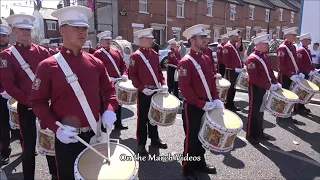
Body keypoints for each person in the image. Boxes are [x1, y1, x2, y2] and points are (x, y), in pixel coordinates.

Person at [29, 6, 118, 180]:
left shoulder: (96, 63)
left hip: (95, 134)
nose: (82, 32)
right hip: (67, 139)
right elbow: (37, 102)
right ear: (62, 30)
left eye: (84, 28)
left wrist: (109, 109)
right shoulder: (47, 66)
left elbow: (109, 91)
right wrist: (56, 128)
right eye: (76, 27)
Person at [0, 14, 57, 180]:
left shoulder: (42, 51)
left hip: (45, 106)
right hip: (26, 107)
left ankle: (54, 174)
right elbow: (10, 85)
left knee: (49, 141)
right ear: (14, 31)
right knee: (29, 145)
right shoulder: (7, 56)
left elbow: (53, 75)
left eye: (28, 29)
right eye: (21, 29)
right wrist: (30, 101)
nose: (25, 32)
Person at [178, 24, 224, 180]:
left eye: (206, 37)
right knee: (191, 138)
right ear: (192, 40)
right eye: (202, 38)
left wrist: (216, 98)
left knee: (202, 137)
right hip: (193, 106)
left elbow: (211, 82)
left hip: (208, 104)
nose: (206, 40)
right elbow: (186, 89)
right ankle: (188, 168)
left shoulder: (205, 58)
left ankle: (200, 163)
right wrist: (201, 103)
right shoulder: (185, 62)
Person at [129, 28, 168, 155]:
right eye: (149, 38)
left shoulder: (154, 54)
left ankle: (155, 139)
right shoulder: (135, 56)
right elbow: (133, 76)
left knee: (154, 116)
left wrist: (163, 83)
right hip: (144, 91)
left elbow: (158, 72)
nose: (152, 40)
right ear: (141, 40)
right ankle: (141, 144)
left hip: (155, 90)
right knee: (143, 118)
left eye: (151, 38)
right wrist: (142, 88)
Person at [245, 33, 281, 144]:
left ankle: (259, 132)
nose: (267, 45)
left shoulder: (264, 56)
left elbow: (269, 72)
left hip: (263, 87)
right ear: (259, 44)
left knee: (260, 111)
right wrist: (269, 86)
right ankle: (251, 134)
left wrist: (275, 82)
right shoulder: (252, 59)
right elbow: (254, 78)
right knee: (253, 111)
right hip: (255, 88)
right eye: (266, 44)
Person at [94, 30, 128, 130]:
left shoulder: (116, 51)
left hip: (118, 81)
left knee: (118, 102)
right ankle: (105, 126)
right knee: (105, 104)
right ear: (101, 41)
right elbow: (96, 70)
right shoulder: (97, 54)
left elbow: (123, 65)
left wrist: (124, 74)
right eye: (106, 40)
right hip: (105, 84)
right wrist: (107, 78)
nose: (109, 42)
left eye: (109, 40)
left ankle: (118, 124)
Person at [277, 27, 303, 123]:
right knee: (283, 96)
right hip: (284, 75)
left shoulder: (292, 46)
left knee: (289, 96)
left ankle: (286, 114)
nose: (295, 37)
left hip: (292, 74)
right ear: (287, 36)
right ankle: (280, 115)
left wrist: (298, 72)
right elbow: (281, 65)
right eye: (293, 36)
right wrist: (290, 74)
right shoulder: (282, 48)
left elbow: (295, 61)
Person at [295, 33, 318, 114]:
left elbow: (309, 62)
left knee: (304, 91)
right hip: (302, 73)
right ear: (304, 40)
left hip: (306, 73)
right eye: (309, 39)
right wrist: (300, 72)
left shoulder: (307, 49)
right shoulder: (300, 50)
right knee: (300, 91)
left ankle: (301, 106)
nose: (310, 41)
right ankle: (297, 107)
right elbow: (298, 63)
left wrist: (313, 69)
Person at [223, 29, 245, 111]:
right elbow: (226, 61)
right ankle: (228, 104)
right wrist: (234, 68)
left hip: (236, 70)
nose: (237, 37)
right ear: (231, 37)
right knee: (230, 88)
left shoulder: (234, 45)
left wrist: (241, 65)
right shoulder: (227, 46)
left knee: (234, 88)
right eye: (236, 36)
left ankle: (231, 103)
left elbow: (238, 57)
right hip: (231, 71)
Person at [0, 24, 12, 165]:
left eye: (4, 35)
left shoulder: (14, 52)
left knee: (16, 124)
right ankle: (4, 150)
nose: (2, 38)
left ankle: (26, 148)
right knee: (2, 124)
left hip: (12, 95)